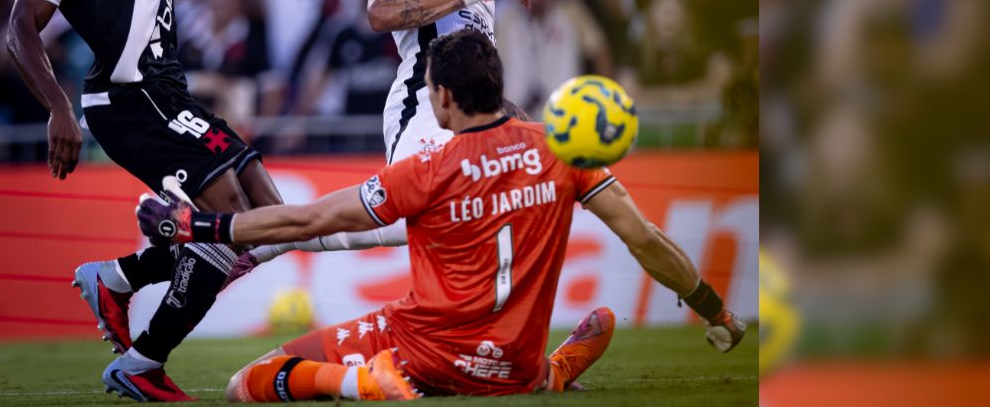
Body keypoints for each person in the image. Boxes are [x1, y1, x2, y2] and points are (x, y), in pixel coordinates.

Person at [137, 31, 746, 400]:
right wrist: (713, 310)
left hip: (423, 355)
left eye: (430, 89)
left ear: (445, 97)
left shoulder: (426, 170)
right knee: (544, 350)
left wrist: (195, 227)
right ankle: (550, 374)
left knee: (249, 382)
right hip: (511, 366)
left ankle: (362, 385)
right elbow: (645, 239)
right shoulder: (564, 152)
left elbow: (306, 221)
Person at [4, 0, 310, 401]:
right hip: (132, 100)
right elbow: (19, 25)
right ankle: (142, 362)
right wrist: (57, 108)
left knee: (271, 225)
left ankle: (121, 278)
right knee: (224, 222)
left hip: (172, 96)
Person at [238, 0, 535, 268]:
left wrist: (518, 124)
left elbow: (478, 67)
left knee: (492, 221)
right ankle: (271, 237)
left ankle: (272, 238)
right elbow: (381, 12)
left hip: (471, 118)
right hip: (425, 108)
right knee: (422, 220)